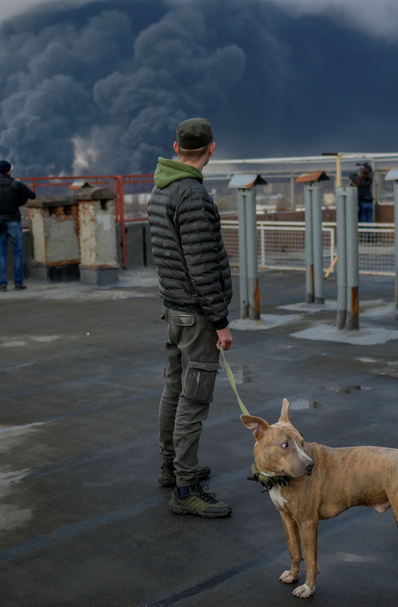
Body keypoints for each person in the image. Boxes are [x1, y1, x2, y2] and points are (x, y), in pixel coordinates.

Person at [148, 118, 233, 518]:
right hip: (196, 316)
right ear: (211, 149)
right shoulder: (193, 195)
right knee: (194, 399)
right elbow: (202, 267)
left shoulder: (161, 187)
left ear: (177, 146)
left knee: (174, 390)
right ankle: (185, 489)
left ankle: (171, 466)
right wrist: (220, 322)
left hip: (174, 308)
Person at [0, 160, 36, 291]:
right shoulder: (15, 184)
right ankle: (18, 283)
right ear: (9, 170)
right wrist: (18, 201)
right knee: (18, 253)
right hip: (14, 222)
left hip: (0, 223)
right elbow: (32, 195)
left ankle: (2, 284)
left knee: (1, 254)